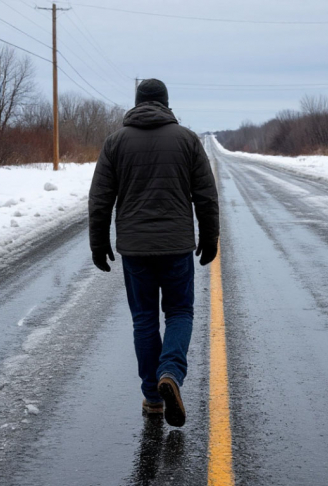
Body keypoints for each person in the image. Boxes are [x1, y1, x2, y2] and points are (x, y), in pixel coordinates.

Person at [88, 79, 220, 427]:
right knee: (179, 312)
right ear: (165, 103)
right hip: (176, 246)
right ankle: (171, 374)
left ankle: (152, 398)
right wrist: (210, 236)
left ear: (136, 102)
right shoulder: (188, 140)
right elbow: (206, 195)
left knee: (144, 319)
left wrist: (98, 241)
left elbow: (100, 198)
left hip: (135, 249)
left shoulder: (115, 142)